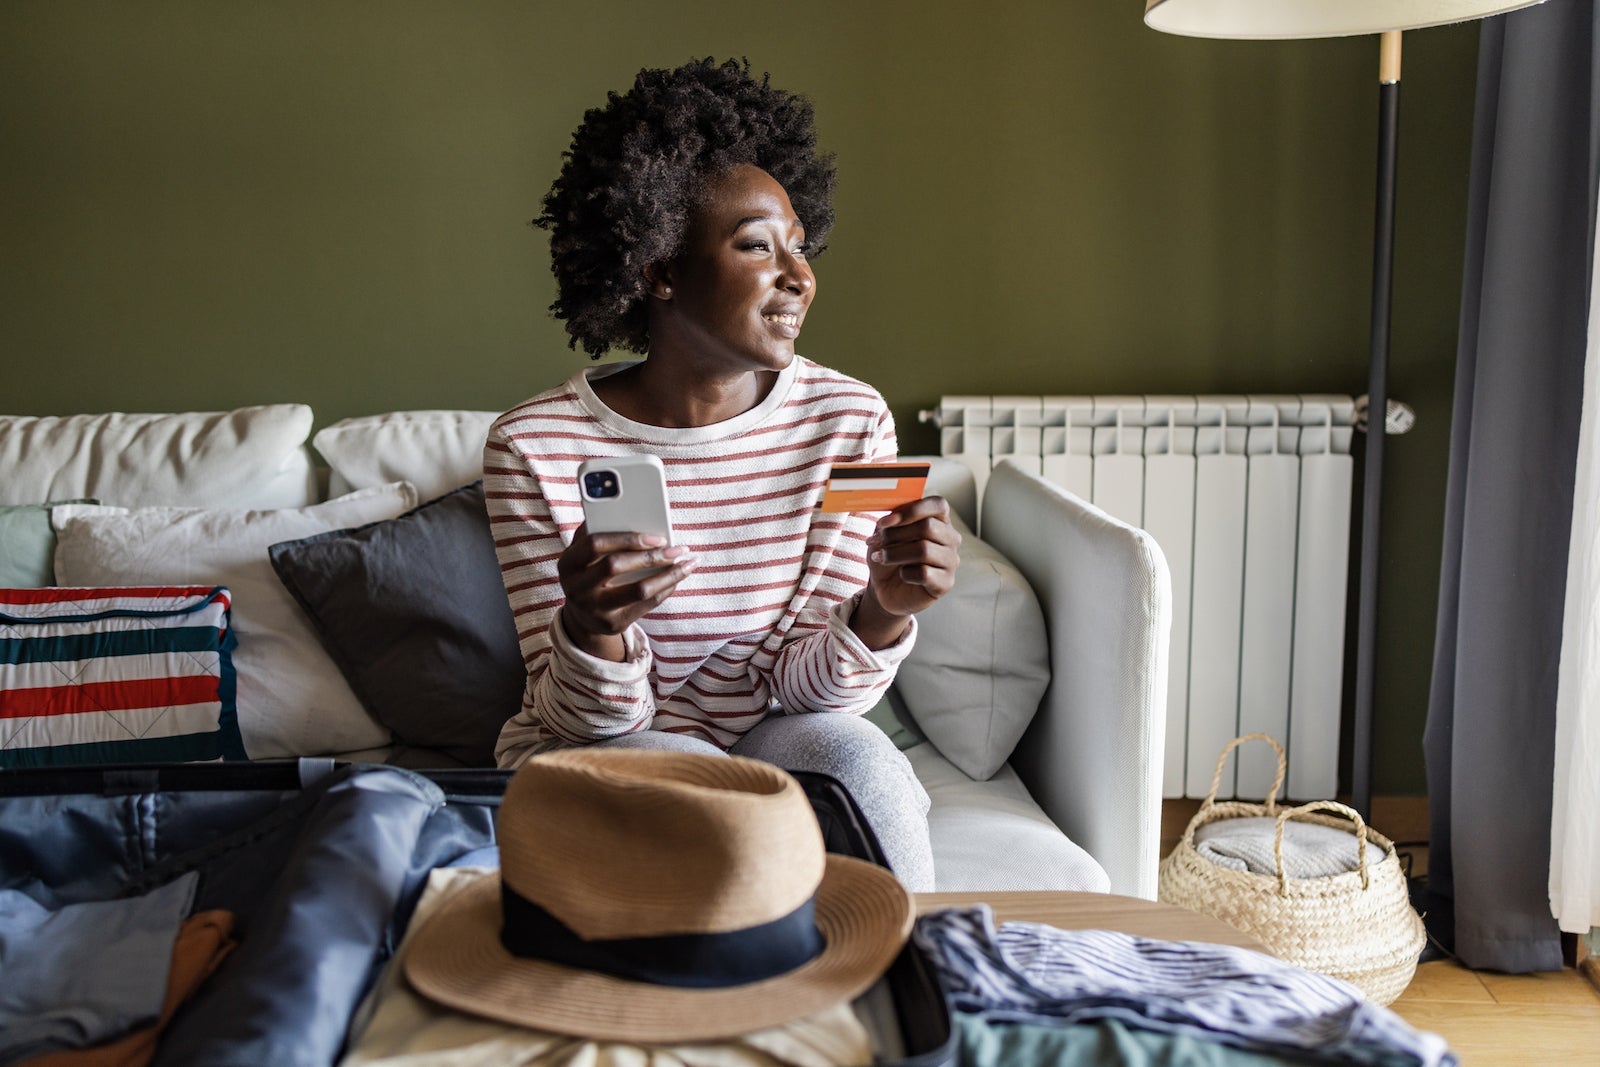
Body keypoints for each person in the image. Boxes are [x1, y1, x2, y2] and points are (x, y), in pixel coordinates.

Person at [482, 57, 958, 891]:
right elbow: (593, 717)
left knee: (865, 762)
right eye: (756, 247)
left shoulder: (847, 422)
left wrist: (884, 610)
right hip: (605, 744)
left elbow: (812, 694)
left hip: (774, 726)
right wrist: (593, 626)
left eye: (800, 249)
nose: (799, 277)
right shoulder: (535, 445)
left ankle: (913, 980)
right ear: (659, 268)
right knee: (692, 787)